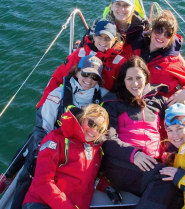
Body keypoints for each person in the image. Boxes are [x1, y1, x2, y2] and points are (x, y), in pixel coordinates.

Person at [9, 55, 114, 209]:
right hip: (57, 145)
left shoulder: (105, 96)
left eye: (94, 77)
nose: (89, 80)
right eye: (85, 74)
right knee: (30, 172)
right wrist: (45, 149)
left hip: (82, 149)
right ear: (77, 72)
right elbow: (44, 127)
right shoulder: (57, 95)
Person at [101, 56, 184, 209]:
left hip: (151, 164)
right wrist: (134, 154)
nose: (135, 83)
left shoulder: (158, 101)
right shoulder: (112, 102)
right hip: (122, 164)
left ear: (146, 78)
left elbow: (182, 119)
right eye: (129, 79)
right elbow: (107, 139)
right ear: (123, 81)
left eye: (139, 78)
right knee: (166, 178)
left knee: (178, 194)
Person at [22, 104, 109, 209]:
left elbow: (90, 180)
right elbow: (43, 181)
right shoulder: (56, 138)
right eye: (91, 123)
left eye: (100, 130)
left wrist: (106, 187)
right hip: (41, 202)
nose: (94, 131)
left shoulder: (96, 152)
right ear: (82, 118)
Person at [37, 19, 126, 109]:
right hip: (77, 99)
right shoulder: (80, 54)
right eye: (100, 36)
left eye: (108, 38)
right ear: (94, 36)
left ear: (114, 39)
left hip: (103, 103)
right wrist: (42, 106)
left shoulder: (120, 62)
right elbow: (58, 77)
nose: (103, 41)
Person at [122, 10, 185, 106]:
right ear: (152, 30)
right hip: (129, 99)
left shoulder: (175, 61)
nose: (161, 36)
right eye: (158, 31)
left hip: (158, 106)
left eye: (168, 34)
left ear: (171, 37)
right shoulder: (133, 47)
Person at [82, 0, 149, 48]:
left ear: (133, 8)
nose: (121, 9)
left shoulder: (142, 26)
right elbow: (85, 46)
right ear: (112, 6)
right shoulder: (99, 26)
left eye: (126, 5)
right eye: (118, 4)